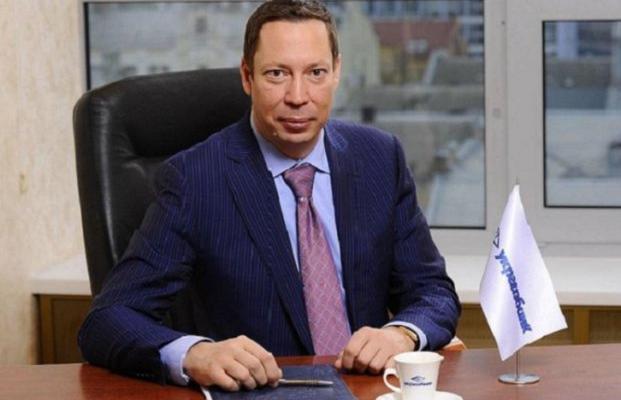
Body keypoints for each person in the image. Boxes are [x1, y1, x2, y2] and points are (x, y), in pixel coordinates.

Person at [78, 0, 460, 392]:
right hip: (263, 394)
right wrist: (194, 354)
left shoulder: (380, 157)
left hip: (368, 390)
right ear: (247, 76)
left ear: (336, 72)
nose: (298, 96)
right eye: (277, 74)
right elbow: (108, 320)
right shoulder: (195, 179)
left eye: (315, 72)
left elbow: (433, 292)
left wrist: (401, 334)